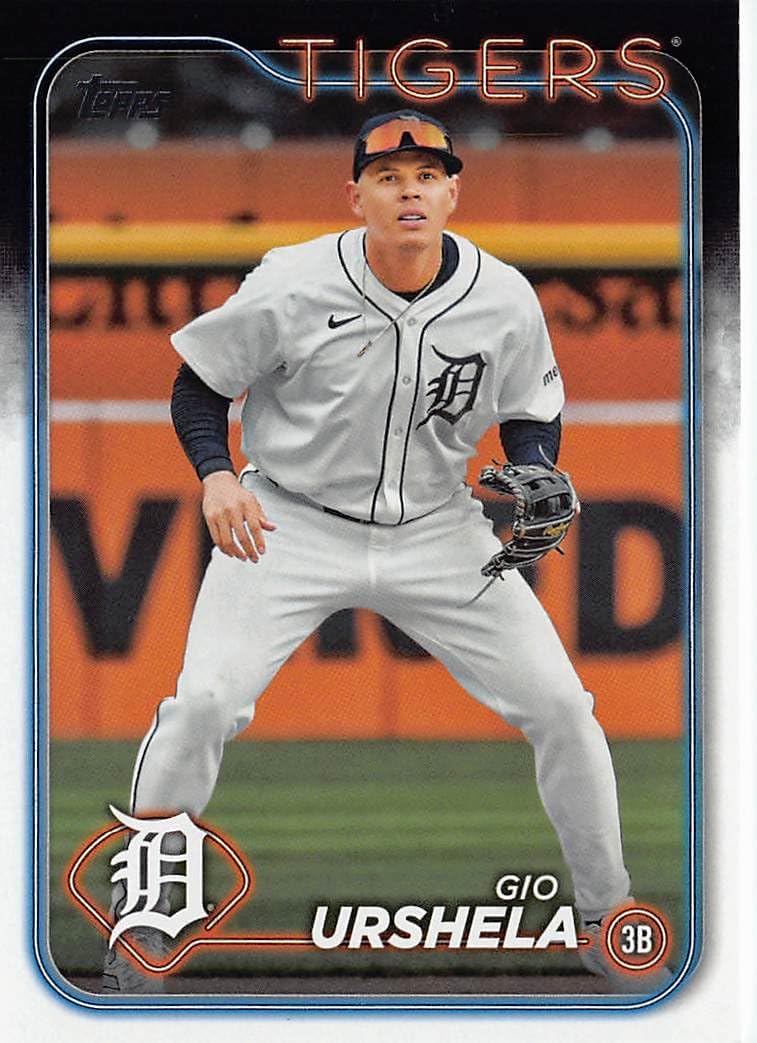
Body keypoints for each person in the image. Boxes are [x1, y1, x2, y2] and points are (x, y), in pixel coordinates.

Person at [103, 110, 665, 995]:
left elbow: (530, 406)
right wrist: (214, 477)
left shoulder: (500, 294)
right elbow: (199, 385)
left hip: (438, 529)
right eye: (389, 176)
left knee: (563, 707)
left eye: (427, 175)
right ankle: (142, 924)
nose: (410, 190)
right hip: (288, 522)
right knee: (202, 703)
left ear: (451, 193)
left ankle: (606, 918)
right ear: (355, 194)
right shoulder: (292, 281)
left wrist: (534, 466)